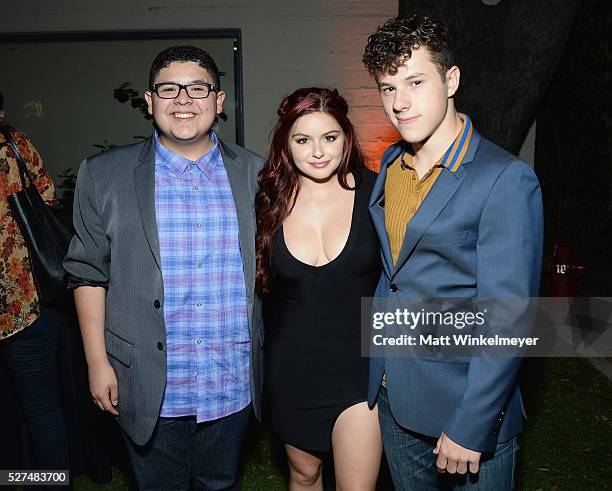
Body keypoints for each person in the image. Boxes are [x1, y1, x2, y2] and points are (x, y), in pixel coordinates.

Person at [63, 46, 264, 490]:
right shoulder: (104, 175)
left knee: (220, 483)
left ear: (219, 100)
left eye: (198, 88)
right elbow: (87, 272)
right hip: (147, 381)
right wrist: (97, 361)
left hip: (229, 377)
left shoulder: (258, 176)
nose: (184, 100)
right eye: (169, 88)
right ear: (150, 101)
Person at [362, 15, 543, 490]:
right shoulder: (390, 164)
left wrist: (472, 422)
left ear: (451, 80)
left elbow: (510, 315)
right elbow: (394, 275)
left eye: (415, 82)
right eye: (387, 88)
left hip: (464, 411)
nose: (399, 103)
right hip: (394, 395)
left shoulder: (504, 179)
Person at [256, 87, 383, 490]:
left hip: (360, 371)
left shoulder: (377, 194)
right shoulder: (266, 201)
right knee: (304, 474)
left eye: (329, 137)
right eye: (303, 139)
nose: (318, 151)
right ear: (285, 144)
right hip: (292, 369)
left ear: (346, 137)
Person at [0, 91, 70, 471]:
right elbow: (47, 197)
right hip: (28, 299)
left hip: (25, 302)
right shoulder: (16, 143)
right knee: (42, 408)